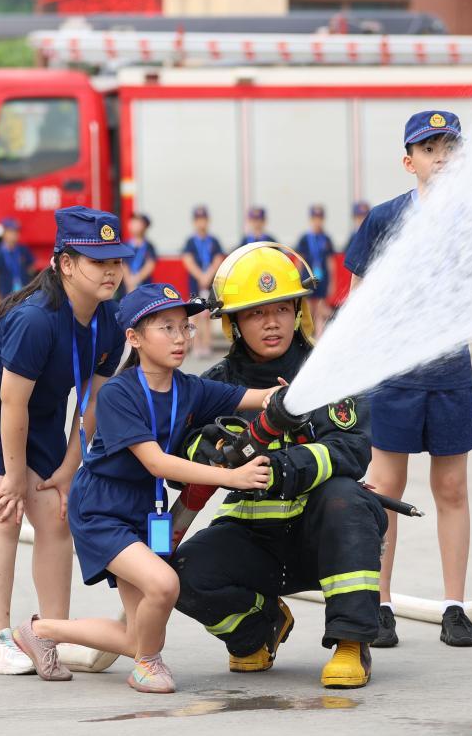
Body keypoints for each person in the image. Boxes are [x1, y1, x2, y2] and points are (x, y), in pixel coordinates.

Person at [11, 283, 281, 693]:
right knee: (165, 584)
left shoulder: (188, 388)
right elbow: (155, 461)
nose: (179, 338)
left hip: (142, 508)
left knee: (140, 636)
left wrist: (286, 397)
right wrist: (233, 477)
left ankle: (41, 630)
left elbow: (255, 397)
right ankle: (148, 666)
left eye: (185, 329)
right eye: (166, 328)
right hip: (102, 509)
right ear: (134, 339)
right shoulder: (119, 394)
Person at [174, 242, 386, 689]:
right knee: (180, 574)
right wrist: (214, 449)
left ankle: (351, 643)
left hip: (321, 539)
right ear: (233, 322)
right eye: (254, 313)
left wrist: (284, 466)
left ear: (298, 311)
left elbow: (351, 449)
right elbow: (180, 460)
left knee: (348, 501)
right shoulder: (215, 387)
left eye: (281, 308)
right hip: (253, 539)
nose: (271, 322)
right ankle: (260, 627)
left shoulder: (328, 372)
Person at [0, 206, 132, 675]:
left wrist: (71, 469)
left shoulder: (109, 322)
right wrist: (13, 477)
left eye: (116, 260)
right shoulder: (35, 320)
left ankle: (50, 632)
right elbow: (10, 405)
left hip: (43, 406)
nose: (111, 271)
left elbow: (91, 403)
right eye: (99, 261)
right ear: (66, 264)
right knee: (5, 512)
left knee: (55, 514)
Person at [344, 110, 472, 649]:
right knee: (384, 490)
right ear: (409, 161)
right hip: (392, 377)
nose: (441, 156)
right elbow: (357, 297)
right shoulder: (383, 219)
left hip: (450, 373)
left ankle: (455, 607)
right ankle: (381, 605)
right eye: (429, 149)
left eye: (449, 146)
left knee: (451, 488)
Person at [181, 205, 224, 358]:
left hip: (210, 283)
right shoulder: (191, 242)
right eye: (198, 220)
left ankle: (207, 344)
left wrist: (208, 275)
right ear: (194, 222)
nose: (201, 223)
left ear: (208, 221)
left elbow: (218, 258)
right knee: (195, 315)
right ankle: (196, 345)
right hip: (195, 282)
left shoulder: (214, 241)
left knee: (207, 314)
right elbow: (187, 259)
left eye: (204, 219)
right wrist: (200, 276)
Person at [294, 204, 336, 337]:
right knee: (308, 309)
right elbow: (300, 260)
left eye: (320, 218)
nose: (317, 221)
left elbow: (330, 262)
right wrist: (296, 280)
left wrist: (332, 283)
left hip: (322, 279)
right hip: (307, 278)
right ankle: (307, 336)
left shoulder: (326, 238)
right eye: (315, 218)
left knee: (319, 309)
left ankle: (319, 337)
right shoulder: (305, 239)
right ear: (310, 220)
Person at [0, 217, 35, 310]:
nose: (14, 235)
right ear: (4, 233)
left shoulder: (23, 250)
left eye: (16, 232)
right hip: (6, 294)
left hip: (23, 292)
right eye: (11, 232)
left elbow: (31, 268)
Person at [122, 212, 158, 294]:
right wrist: (128, 280)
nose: (133, 225)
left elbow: (150, 264)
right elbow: (123, 264)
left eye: (137, 223)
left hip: (144, 285)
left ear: (145, 226)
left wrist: (136, 279)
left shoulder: (149, 246)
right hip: (127, 286)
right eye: (132, 222)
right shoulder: (125, 245)